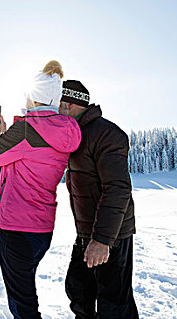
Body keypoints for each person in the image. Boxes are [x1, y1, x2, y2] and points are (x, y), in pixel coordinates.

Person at [0, 61, 81, 319]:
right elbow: (28, 157)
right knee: (25, 295)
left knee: (22, 304)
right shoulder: (64, 131)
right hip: (41, 229)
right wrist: (6, 135)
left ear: (33, 97)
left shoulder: (25, 130)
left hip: (16, 229)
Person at [59, 80, 138, 319]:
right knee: (79, 290)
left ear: (68, 104)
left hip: (110, 234)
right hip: (87, 230)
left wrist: (102, 240)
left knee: (113, 304)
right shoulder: (73, 135)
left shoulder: (107, 134)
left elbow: (118, 188)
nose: (56, 112)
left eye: (58, 106)